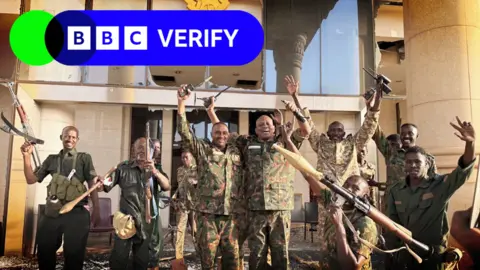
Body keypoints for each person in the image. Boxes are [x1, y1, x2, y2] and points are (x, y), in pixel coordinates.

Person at [207, 75, 311, 270]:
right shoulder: (246, 143)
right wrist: (211, 111)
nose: (264, 126)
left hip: (280, 207)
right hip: (255, 209)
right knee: (257, 252)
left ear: (274, 128)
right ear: (255, 129)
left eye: (268, 124)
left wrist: (296, 101)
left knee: (281, 253)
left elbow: (306, 130)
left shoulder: (285, 142)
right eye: (261, 124)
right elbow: (222, 133)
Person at [287, 78, 382, 249]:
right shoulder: (320, 143)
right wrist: (295, 97)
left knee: (354, 235)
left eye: (340, 130)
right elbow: (307, 122)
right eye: (333, 129)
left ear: (344, 133)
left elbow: (369, 126)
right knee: (327, 234)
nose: (336, 132)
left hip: (351, 196)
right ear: (328, 132)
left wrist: (375, 104)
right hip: (327, 196)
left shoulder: (353, 143)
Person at [386, 117, 475, 270]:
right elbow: (393, 226)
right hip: (405, 257)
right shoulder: (396, 191)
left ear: (427, 164)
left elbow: (462, 171)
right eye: (409, 162)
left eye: (418, 162)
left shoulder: (440, 185)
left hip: (432, 256)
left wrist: (470, 144)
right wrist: (393, 256)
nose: (413, 165)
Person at [177, 86, 244, 270]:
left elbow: (220, 127)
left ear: (228, 135)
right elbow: (185, 133)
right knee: (208, 261)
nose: (221, 135)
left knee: (232, 260)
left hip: (231, 216)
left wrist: (211, 111)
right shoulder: (203, 150)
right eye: (217, 133)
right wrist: (182, 103)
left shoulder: (236, 151)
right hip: (207, 217)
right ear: (211, 135)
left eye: (224, 133)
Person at [20, 126, 101, 270]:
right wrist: (26, 156)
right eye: (67, 136)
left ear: (77, 140)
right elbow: (31, 179)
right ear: (61, 137)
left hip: (76, 212)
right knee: (44, 248)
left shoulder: (84, 158)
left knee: (74, 254)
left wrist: (97, 208)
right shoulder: (52, 159)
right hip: (53, 211)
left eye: (73, 137)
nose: (70, 139)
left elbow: (92, 183)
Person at [102, 137, 171, 270]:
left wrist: (155, 172)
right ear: (133, 150)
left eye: (144, 147)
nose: (140, 150)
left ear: (150, 151)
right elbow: (105, 185)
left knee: (141, 261)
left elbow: (167, 186)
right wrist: (100, 182)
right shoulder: (123, 168)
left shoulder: (156, 169)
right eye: (137, 147)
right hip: (126, 221)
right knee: (119, 259)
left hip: (146, 223)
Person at [372, 122, 437, 213]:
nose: (406, 136)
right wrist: (372, 111)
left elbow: (434, 185)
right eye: (403, 134)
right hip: (393, 204)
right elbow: (376, 132)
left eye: (410, 133)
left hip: (417, 205)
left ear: (416, 135)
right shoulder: (391, 153)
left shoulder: (427, 158)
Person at [148, 139, 170, 270]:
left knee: (157, 241)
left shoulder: (159, 168)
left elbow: (166, 186)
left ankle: (153, 265)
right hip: (135, 210)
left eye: (158, 147)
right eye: (154, 147)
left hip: (153, 211)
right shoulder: (133, 165)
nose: (156, 150)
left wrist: (154, 171)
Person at [172, 151, 198, 259]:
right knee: (180, 230)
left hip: (194, 204)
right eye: (182, 158)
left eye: (186, 157)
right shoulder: (179, 170)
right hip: (182, 203)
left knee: (195, 230)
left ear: (191, 158)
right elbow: (175, 185)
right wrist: (174, 199)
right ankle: (179, 257)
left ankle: (200, 252)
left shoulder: (197, 170)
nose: (184, 159)